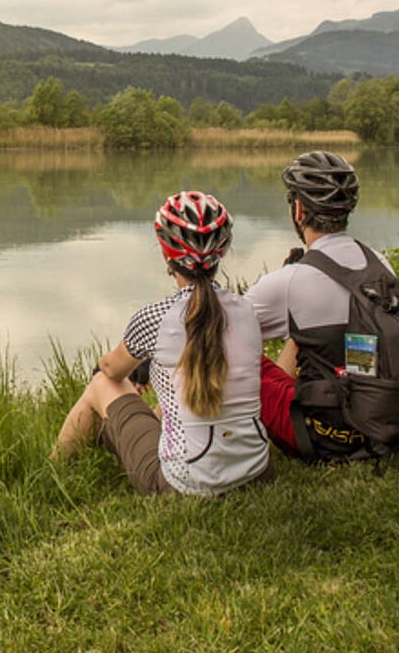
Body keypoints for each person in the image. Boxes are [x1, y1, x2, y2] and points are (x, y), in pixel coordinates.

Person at [51, 191, 274, 496]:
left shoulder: (155, 318)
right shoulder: (247, 312)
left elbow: (112, 370)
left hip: (184, 483)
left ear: (165, 253)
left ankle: (51, 473)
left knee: (102, 384)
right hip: (255, 471)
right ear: (223, 251)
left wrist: (134, 365)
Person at [247, 150, 390, 462]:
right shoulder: (380, 262)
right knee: (311, 334)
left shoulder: (290, 280)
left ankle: (174, 434)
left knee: (227, 351)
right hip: (379, 421)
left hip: (324, 436)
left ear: (298, 210)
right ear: (349, 208)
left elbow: (214, 333)